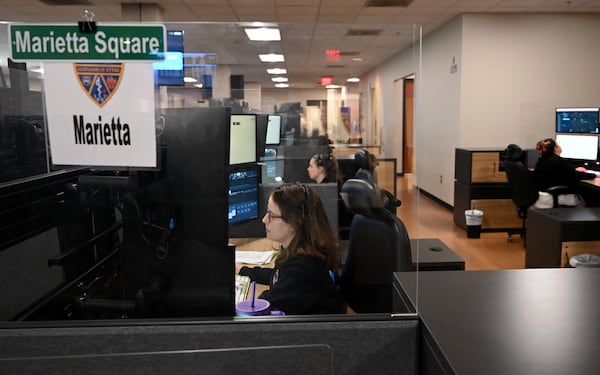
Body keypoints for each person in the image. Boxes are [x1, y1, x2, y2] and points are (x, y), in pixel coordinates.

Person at [236, 183, 345, 315]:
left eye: (271, 215)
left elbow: (263, 308)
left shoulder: (303, 269)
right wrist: (243, 270)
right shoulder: (300, 252)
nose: (264, 220)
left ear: (294, 222)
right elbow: (280, 278)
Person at [531, 138, 597, 191]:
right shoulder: (558, 161)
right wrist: (595, 175)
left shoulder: (542, 159)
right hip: (553, 194)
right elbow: (576, 175)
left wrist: (574, 169)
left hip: (542, 192)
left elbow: (562, 170)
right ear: (555, 148)